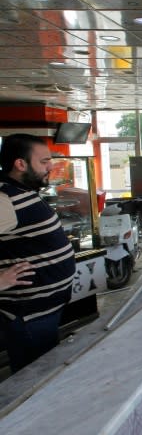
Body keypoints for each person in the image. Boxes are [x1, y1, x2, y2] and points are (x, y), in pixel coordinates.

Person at [0, 133, 76, 373]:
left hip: (43, 313)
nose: (50, 166)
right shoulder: (5, 200)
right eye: (43, 161)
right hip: (28, 318)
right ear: (20, 164)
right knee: (33, 385)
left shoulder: (21, 192)